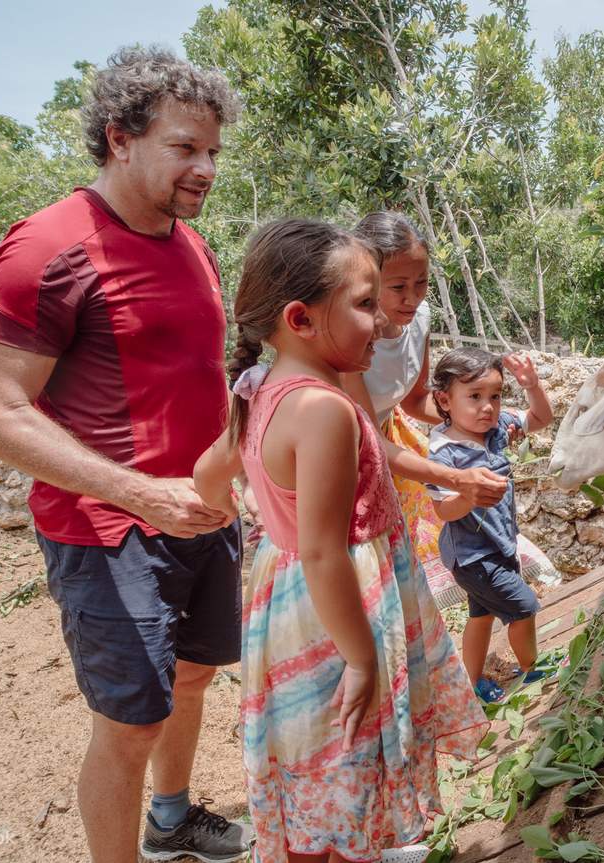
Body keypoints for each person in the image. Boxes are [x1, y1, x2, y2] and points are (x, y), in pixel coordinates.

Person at [0, 47, 252, 863]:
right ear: (120, 138)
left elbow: (199, 379)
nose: (205, 168)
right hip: (107, 531)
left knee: (193, 678)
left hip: (200, 516)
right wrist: (138, 492)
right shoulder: (44, 248)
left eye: (212, 152)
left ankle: (171, 819)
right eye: (184, 148)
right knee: (129, 722)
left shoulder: (190, 244)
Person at [194, 219, 486, 863]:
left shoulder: (258, 388)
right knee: (347, 755)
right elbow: (325, 550)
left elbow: (207, 475)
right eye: (363, 303)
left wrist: (242, 514)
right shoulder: (323, 410)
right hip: (336, 613)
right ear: (300, 318)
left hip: (287, 605)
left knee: (316, 761)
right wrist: (361, 658)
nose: (382, 320)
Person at [343, 212, 508, 606]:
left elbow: (417, 400)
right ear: (365, 280)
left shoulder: (420, 321)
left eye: (422, 283)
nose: (412, 298)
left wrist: (481, 415)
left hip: (384, 440)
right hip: (349, 454)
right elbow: (366, 440)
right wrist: (455, 478)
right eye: (398, 286)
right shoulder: (348, 335)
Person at [426, 348, 554, 703]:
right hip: (472, 556)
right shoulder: (444, 454)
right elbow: (443, 510)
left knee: (480, 616)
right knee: (525, 606)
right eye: (475, 397)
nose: (487, 407)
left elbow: (541, 417)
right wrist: (468, 495)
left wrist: (531, 385)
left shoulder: (497, 428)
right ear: (444, 400)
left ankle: (475, 681)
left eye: (495, 397)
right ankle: (531, 669)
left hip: (497, 545)